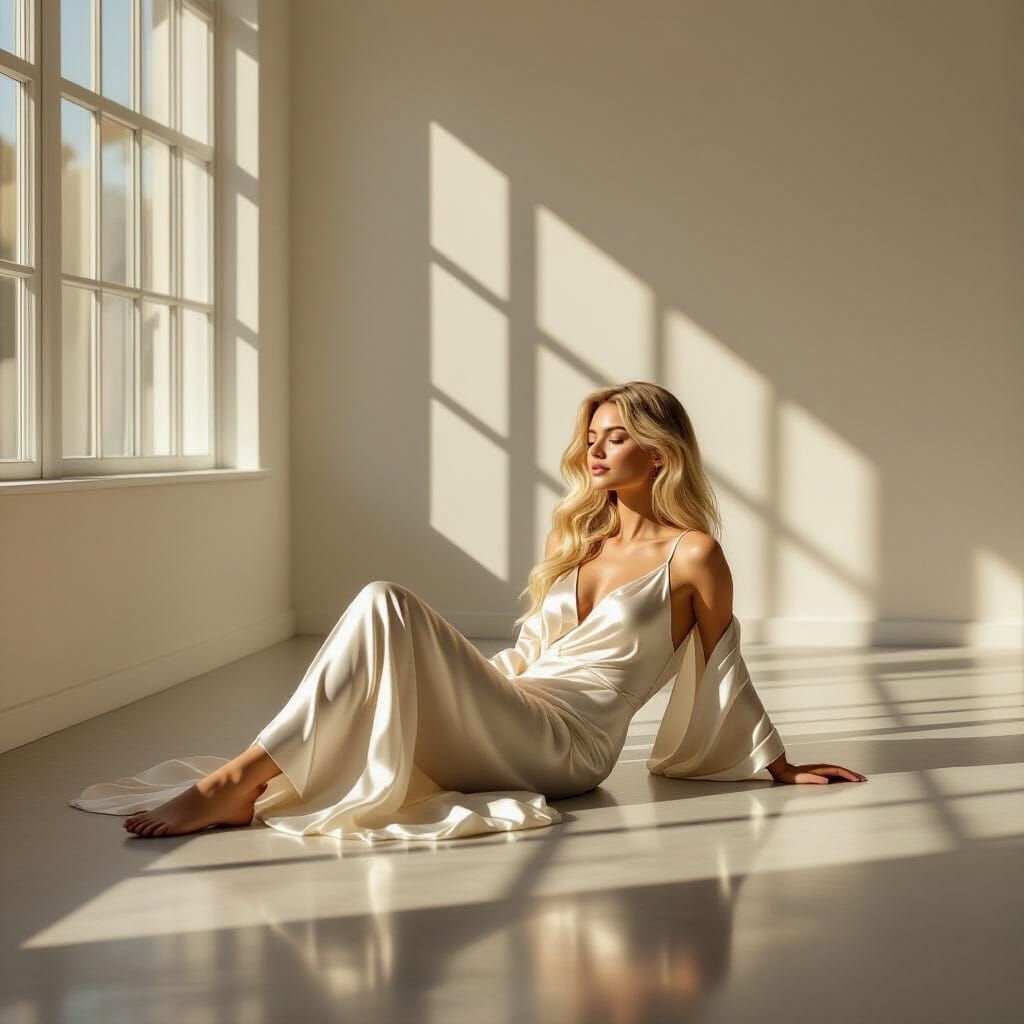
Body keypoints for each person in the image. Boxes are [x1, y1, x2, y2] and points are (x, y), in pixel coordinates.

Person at [70, 381, 865, 841]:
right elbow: (526, 656)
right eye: (592, 436)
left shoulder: (692, 554)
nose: (595, 451)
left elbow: (722, 662)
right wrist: (458, 688)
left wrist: (778, 764)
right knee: (386, 624)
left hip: (572, 745)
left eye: (616, 438)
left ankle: (237, 781)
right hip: (517, 708)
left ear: (660, 453)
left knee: (385, 601)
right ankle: (244, 777)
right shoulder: (579, 540)